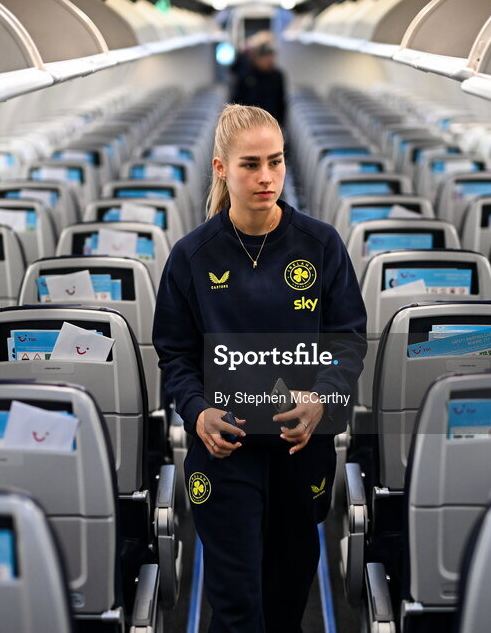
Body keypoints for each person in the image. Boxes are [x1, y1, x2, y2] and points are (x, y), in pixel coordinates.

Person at [153, 104, 367, 632]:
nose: (266, 176)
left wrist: (322, 397)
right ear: (222, 168)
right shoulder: (192, 256)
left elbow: (347, 340)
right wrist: (197, 411)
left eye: (275, 161)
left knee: (286, 603)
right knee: (237, 608)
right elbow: (174, 353)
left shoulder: (320, 246)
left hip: (300, 452)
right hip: (225, 455)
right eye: (250, 164)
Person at [231, 37, 287, 128]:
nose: (270, 63)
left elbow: (280, 101)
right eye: (267, 60)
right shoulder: (246, 75)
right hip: (249, 121)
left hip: (271, 120)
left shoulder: (277, 75)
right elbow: (237, 100)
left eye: (271, 60)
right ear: (258, 59)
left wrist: (280, 124)